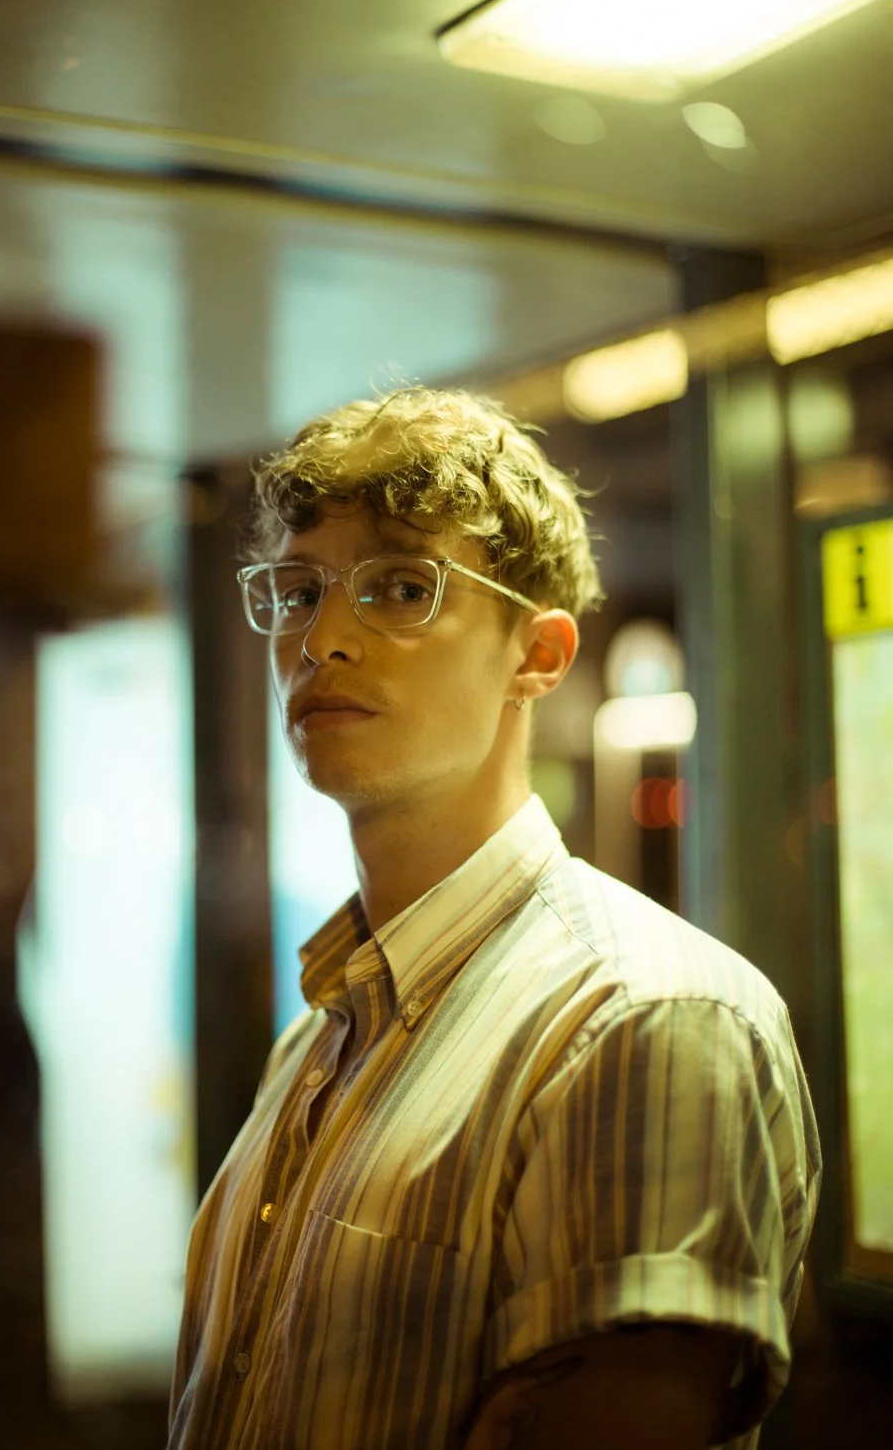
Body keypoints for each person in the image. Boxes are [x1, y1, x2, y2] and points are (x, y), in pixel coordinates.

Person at [168, 387, 820, 1450]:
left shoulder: (641, 1020)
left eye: (400, 587)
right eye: (296, 592)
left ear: (540, 655)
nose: (322, 637)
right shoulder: (324, 1032)